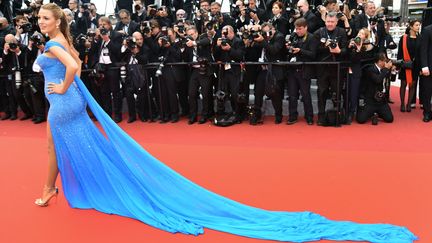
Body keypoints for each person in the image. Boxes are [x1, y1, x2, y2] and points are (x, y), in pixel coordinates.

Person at [33, 3, 418, 243]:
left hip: (61, 102)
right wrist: (67, 85)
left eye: (44, 17)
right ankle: (51, 187)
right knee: (58, 145)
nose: (39, 20)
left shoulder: (53, 45)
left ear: (56, 22)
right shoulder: (65, 39)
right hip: (68, 103)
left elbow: (73, 69)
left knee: (55, 144)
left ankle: (54, 188)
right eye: (38, 16)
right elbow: (79, 63)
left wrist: (61, 86)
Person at [356, 53, 394, 124]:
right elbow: (377, 79)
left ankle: (377, 113)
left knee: (389, 118)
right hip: (371, 101)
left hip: (381, 100)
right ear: (380, 61)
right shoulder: (370, 69)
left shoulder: (385, 70)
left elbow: (391, 80)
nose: (386, 62)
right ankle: (372, 113)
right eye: (385, 60)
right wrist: (386, 69)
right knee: (360, 119)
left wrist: (392, 71)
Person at [397, 20, 421, 113]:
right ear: (411, 26)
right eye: (416, 25)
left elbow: (420, 53)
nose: (418, 27)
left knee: (413, 85)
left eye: (419, 25)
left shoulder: (420, 38)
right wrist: (398, 65)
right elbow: (399, 52)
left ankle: (409, 103)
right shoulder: (403, 38)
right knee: (403, 84)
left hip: (415, 65)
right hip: (404, 64)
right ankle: (402, 103)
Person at [420, 23, 432, 122]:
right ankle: (427, 112)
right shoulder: (427, 30)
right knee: (427, 91)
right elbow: (423, 50)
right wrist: (424, 66)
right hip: (429, 67)